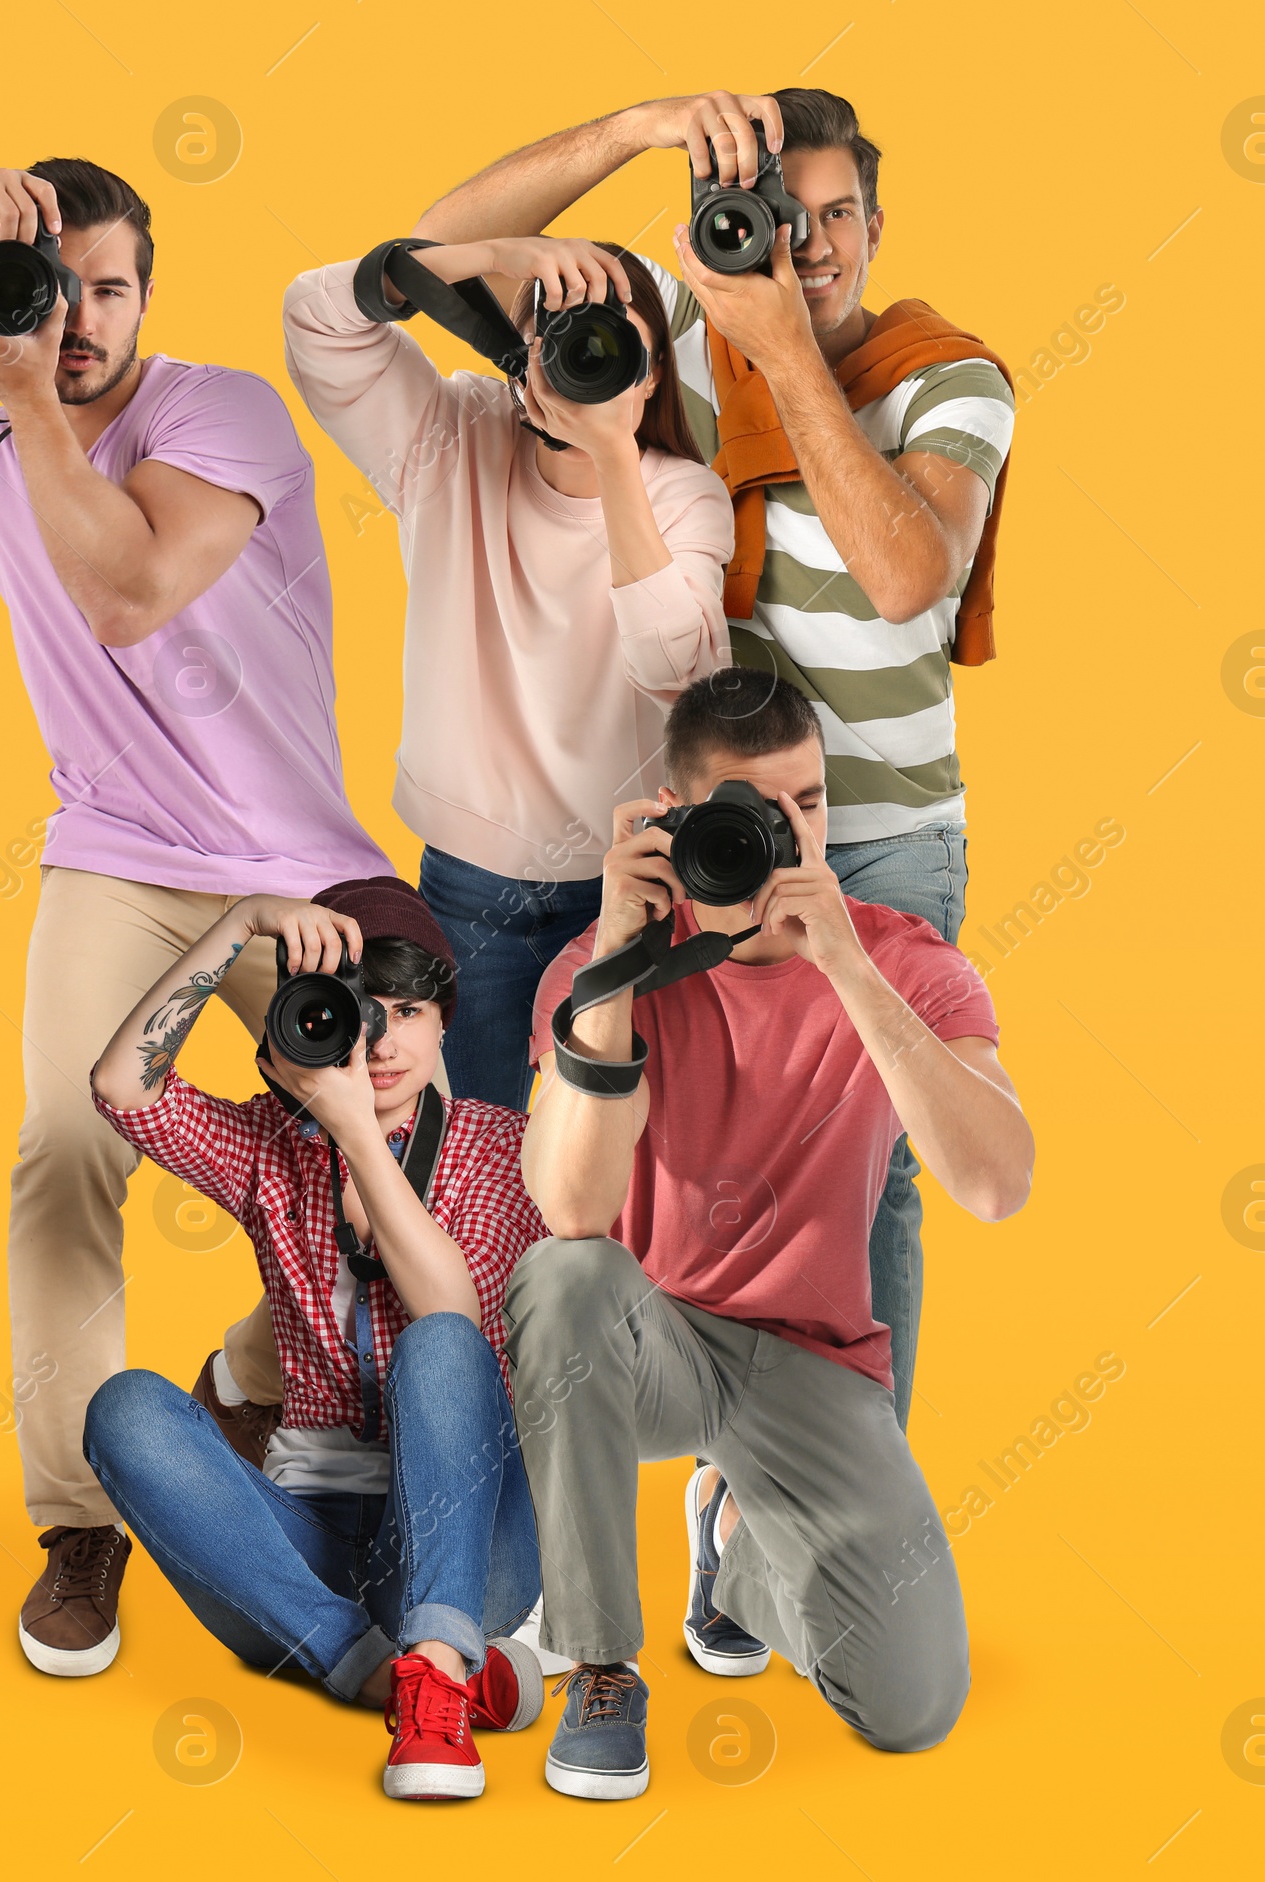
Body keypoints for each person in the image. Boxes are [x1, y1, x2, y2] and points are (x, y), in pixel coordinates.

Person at [0, 158, 394, 1675]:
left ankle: (245, 1381)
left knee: (391, 1166)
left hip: (295, 867)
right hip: (116, 859)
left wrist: (32, 399)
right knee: (63, 1141)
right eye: (56, 289)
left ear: (146, 298)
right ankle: (82, 1525)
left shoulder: (216, 411)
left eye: (111, 287)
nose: (84, 320)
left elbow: (125, 590)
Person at [413, 88, 1017, 1431]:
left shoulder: (948, 377)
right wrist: (632, 131)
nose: (804, 243)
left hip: (878, 834)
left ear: (878, 222)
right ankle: (704, 1439)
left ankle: (824, 1508)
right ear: (714, 223)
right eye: (771, 215)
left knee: (876, 1168)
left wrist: (784, 349)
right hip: (707, 823)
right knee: (679, 1144)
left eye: (836, 215)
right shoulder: (669, 336)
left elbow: (911, 575)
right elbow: (426, 253)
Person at [507, 672, 1033, 1799]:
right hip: (653, 1341)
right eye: (752, 812)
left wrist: (843, 964)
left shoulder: (899, 961)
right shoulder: (606, 968)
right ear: (683, 818)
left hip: (811, 1360)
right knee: (560, 1278)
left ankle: (732, 1556)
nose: (787, 838)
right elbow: (569, 1214)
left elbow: (995, 1184)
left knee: (912, 1706)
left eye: (810, 805)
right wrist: (614, 953)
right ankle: (602, 1666)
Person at [83, 878, 548, 1801]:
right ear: (303, 1025)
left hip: (467, 1533)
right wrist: (242, 926)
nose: (383, 1042)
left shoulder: (502, 1145)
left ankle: (419, 1659)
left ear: (445, 1021)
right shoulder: (268, 1146)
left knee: (439, 1348)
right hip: (305, 1542)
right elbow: (119, 1086)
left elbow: (453, 1313)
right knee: (124, 1407)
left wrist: (356, 1134)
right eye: (355, 1013)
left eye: (409, 1011)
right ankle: (415, 1678)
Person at [281, 232, 735, 1111]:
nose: (589, 358)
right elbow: (315, 319)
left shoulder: (681, 493)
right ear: (522, 361)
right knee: (475, 1150)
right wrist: (501, 255)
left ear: (650, 373)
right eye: (563, 336)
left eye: (614, 344)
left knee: (606, 1167)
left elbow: (678, 672)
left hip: (627, 883)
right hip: (468, 882)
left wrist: (611, 459)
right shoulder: (454, 435)